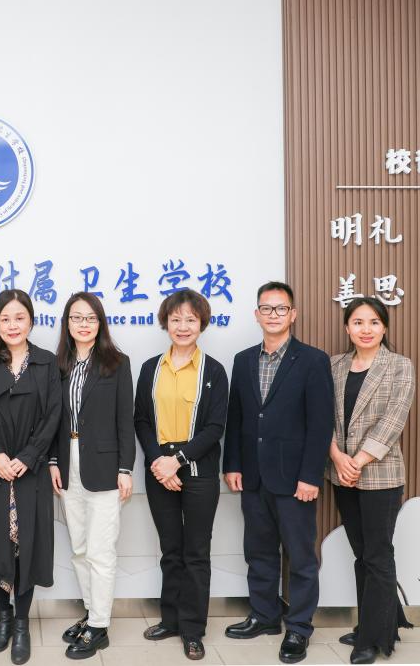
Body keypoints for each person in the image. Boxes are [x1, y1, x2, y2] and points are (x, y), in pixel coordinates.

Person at [222, 281, 333, 664]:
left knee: (300, 557)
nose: (273, 315)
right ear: (257, 314)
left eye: (280, 308)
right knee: (259, 551)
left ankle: (298, 628)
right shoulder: (243, 360)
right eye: (266, 309)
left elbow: (320, 424)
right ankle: (265, 616)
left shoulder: (313, 360)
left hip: (295, 479)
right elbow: (236, 417)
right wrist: (232, 464)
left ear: (293, 314)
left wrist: (311, 476)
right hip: (253, 476)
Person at [0, 289, 62, 665]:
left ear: (31, 321)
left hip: (28, 470)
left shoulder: (46, 362)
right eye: (4, 319)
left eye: (19, 317)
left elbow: (53, 415)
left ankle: (22, 623)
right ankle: (3, 616)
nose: (12, 325)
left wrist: (28, 456)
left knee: (27, 545)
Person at [135, 289, 228, 661]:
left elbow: (215, 427)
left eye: (191, 319)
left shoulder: (214, 371)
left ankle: (193, 630)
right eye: (176, 319)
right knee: (170, 550)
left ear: (201, 323)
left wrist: (178, 460)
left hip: (198, 471)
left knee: (196, 552)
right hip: (159, 469)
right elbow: (142, 420)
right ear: (166, 323)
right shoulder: (150, 368)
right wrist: (160, 462)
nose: (183, 326)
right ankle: (170, 620)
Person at [327, 297, 415, 665]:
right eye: (358, 322)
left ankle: (373, 638)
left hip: (380, 474)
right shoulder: (334, 365)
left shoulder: (399, 366)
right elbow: (323, 416)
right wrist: (337, 456)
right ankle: (376, 622)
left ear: (384, 328)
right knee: (361, 553)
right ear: (347, 328)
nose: (366, 329)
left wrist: (359, 460)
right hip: (341, 472)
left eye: (374, 322)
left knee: (377, 554)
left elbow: (394, 420)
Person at [48, 292, 134, 660]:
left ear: (100, 323)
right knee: (80, 549)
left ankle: (99, 626)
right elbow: (52, 419)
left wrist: (125, 469)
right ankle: (91, 612)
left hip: (105, 467)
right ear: (67, 323)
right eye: (76, 317)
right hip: (68, 464)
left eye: (90, 318)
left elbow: (125, 420)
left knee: (101, 550)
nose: (83, 324)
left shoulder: (117, 363)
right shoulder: (58, 365)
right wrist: (53, 461)